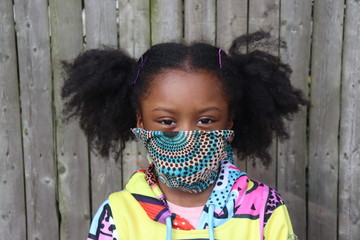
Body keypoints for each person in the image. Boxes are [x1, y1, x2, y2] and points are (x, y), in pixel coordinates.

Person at [61, 31, 306, 240]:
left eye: (206, 120)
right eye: (167, 121)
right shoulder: (117, 215)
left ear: (229, 121)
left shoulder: (265, 209)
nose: (187, 136)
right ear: (140, 121)